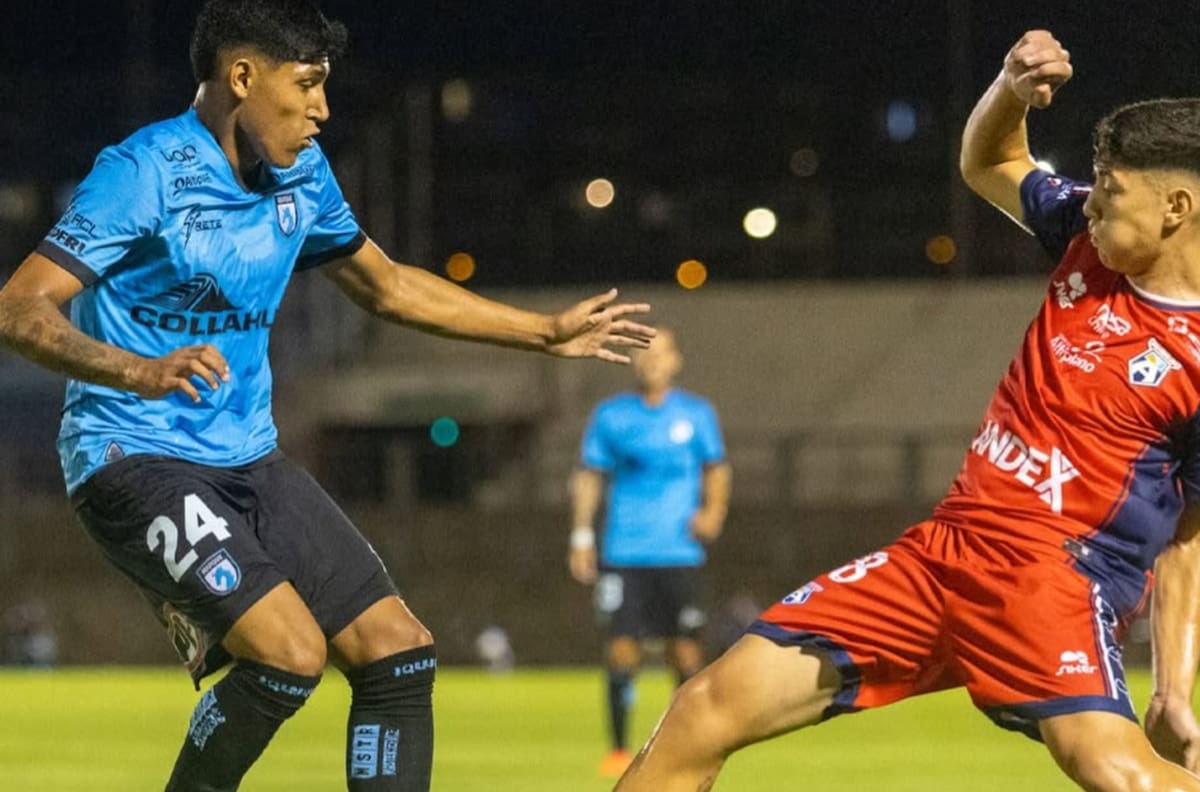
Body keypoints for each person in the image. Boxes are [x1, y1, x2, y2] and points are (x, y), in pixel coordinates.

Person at [0, 2, 655, 790]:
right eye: (307, 84)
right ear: (242, 77)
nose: (323, 109)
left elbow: (386, 286)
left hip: (248, 459)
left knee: (398, 653)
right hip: (132, 455)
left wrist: (543, 332)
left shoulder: (300, 175)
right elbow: (19, 305)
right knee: (289, 655)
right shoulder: (143, 173)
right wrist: (134, 368)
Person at [615, 29, 1200, 792]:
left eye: (1111, 191)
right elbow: (990, 161)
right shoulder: (1085, 241)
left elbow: (1187, 534)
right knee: (703, 709)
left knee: (1121, 776)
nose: (1091, 204)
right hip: (940, 558)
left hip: (1052, 582)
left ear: (1176, 208)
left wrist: (1175, 689)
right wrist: (1010, 89)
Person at [568, 329, 731, 778]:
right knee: (622, 651)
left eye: (661, 353)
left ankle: (688, 744)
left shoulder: (696, 415)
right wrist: (582, 536)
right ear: (634, 363)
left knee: (687, 656)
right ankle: (619, 750)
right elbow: (589, 475)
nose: (653, 361)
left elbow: (716, 468)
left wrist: (713, 512)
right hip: (624, 553)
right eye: (645, 353)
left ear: (675, 360)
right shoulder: (612, 417)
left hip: (680, 553)